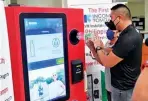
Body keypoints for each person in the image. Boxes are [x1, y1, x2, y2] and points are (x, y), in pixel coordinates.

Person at [86, 4, 142, 101]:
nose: (111, 21)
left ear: (119, 18)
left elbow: (107, 62)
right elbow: (113, 54)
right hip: (126, 87)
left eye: (112, 18)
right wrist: (94, 48)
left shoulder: (127, 38)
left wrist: (98, 46)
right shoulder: (133, 32)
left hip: (122, 90)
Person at [104, 29, 119, 101]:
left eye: (112, 31)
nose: (109, 32)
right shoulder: (107, 43)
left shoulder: (120, 44)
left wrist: (102, 48)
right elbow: (104, 60)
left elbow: (114, 52)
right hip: (108, 83)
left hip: (118, 85)